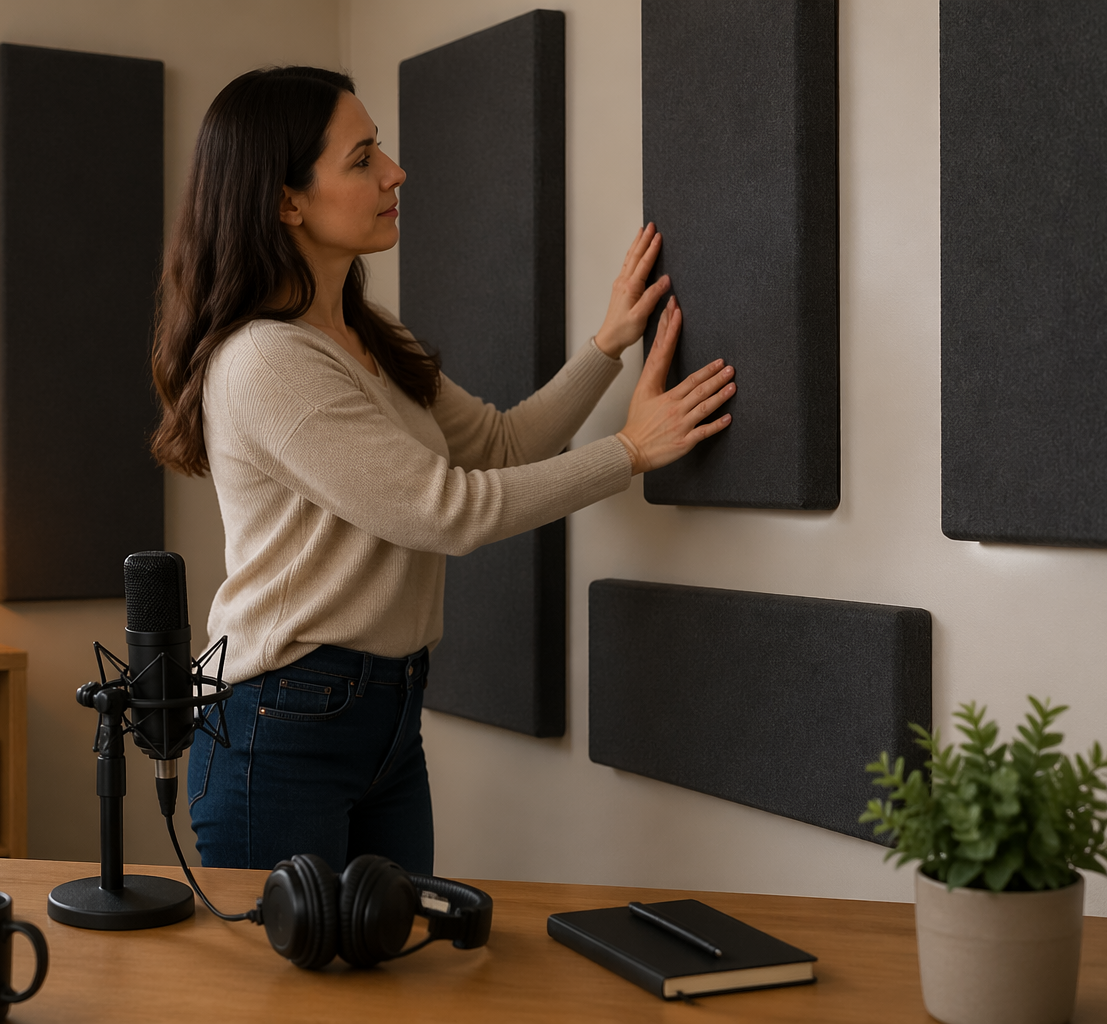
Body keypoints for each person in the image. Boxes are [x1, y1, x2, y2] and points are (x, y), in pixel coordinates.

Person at [150, 67, 735, 874]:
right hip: (280, 727)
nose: (394, 172)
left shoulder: (365, 331)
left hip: (386, 716)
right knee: (287, 1000)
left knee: (395, 984)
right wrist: (628, 452)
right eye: (362, 159)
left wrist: (607, 347)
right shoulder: (265, 362)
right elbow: (449, 511)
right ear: (286, 200)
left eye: (380, 150)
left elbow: (496, 445)